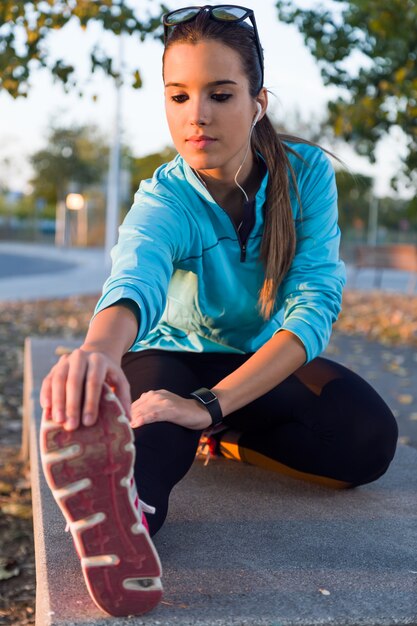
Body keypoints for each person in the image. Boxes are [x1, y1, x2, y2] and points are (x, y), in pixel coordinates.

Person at [39, 4, 398, 618]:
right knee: (155, 437)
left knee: (369, 439)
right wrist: (100, 351)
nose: (196, 115)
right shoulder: (165, 196)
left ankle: (220, 432)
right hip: (169, 353)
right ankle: (123, 531)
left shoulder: (306, 175)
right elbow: (135, 275)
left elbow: (312, 309)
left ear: (258, 100)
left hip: (257, 365)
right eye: (177, 96)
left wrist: (209, 407)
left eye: (220, 93)